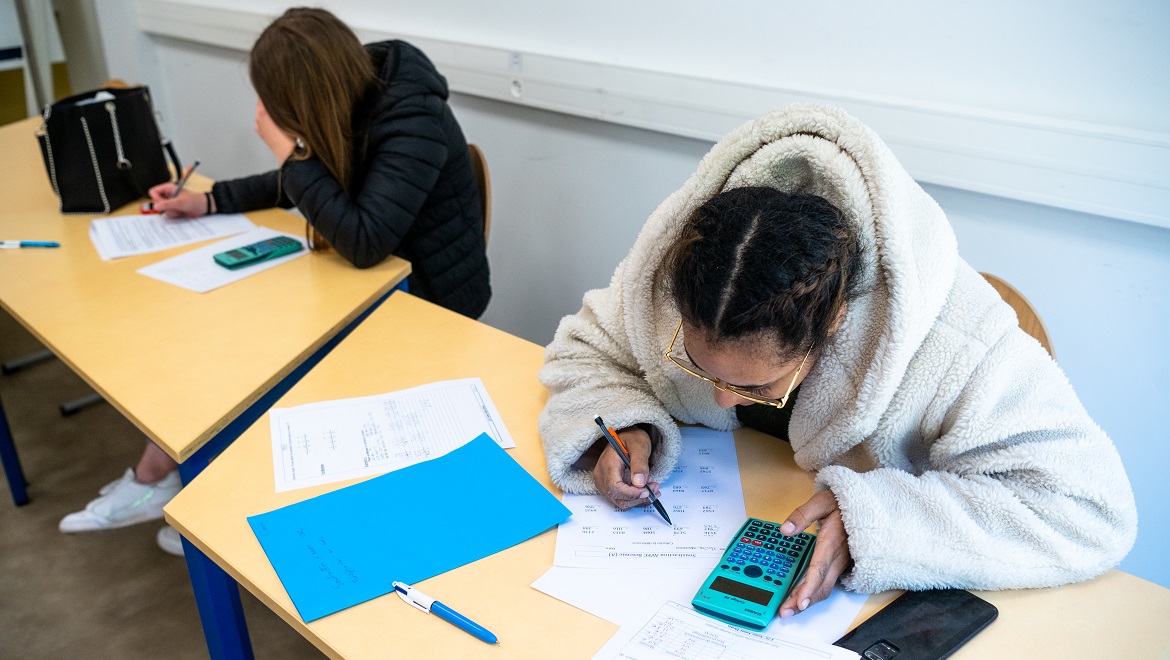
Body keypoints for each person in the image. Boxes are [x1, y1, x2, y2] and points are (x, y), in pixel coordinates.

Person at [537, 104, 1137, 619]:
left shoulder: (958, 341)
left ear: (833, 324)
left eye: (757, 382)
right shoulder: (692, 278)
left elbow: (1089, 512)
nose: (721, 398)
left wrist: (879, 522)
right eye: (698, 367)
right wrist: (626, 424)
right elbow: (587, 348)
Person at [59, 8, 490, 555]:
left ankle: (187, 492)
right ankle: (169, 480)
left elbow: (364, 240)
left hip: (428, 299)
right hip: (363, 287)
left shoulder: (414, 118)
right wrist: (209, 200)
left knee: (251, 353)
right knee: (224, 329)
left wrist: (289, 151)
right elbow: (311, 178)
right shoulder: (351, 93)